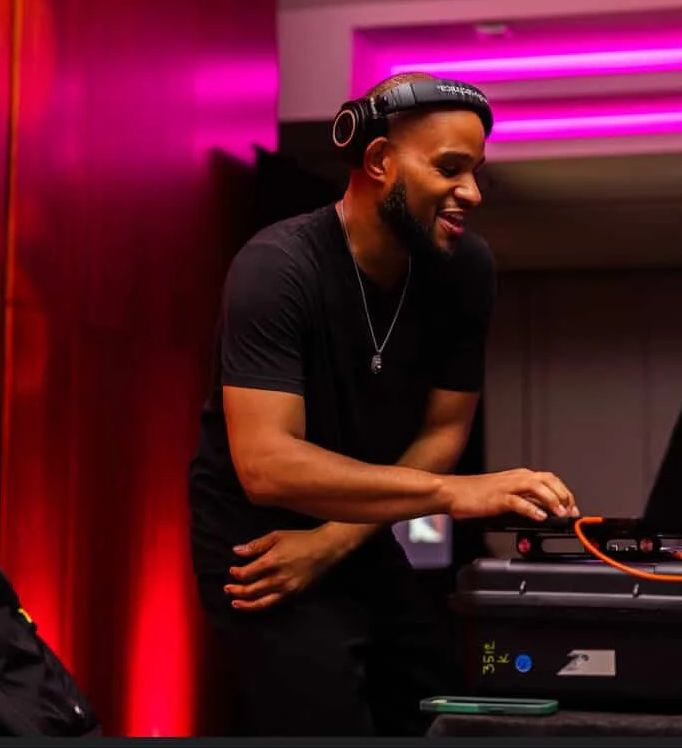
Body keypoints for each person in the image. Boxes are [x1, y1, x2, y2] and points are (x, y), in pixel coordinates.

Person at [187, 71, 578, 737]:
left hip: (351, 526)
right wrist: (453, 495)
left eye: (476, 170)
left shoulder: (465, 270)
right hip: (262, 542)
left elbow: (442, 428)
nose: (472, 193)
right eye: (450, 168)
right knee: (327, 712)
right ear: (377, 161)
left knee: (429, 701)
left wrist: (334, 542)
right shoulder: (277, 267)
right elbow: (266, 463)